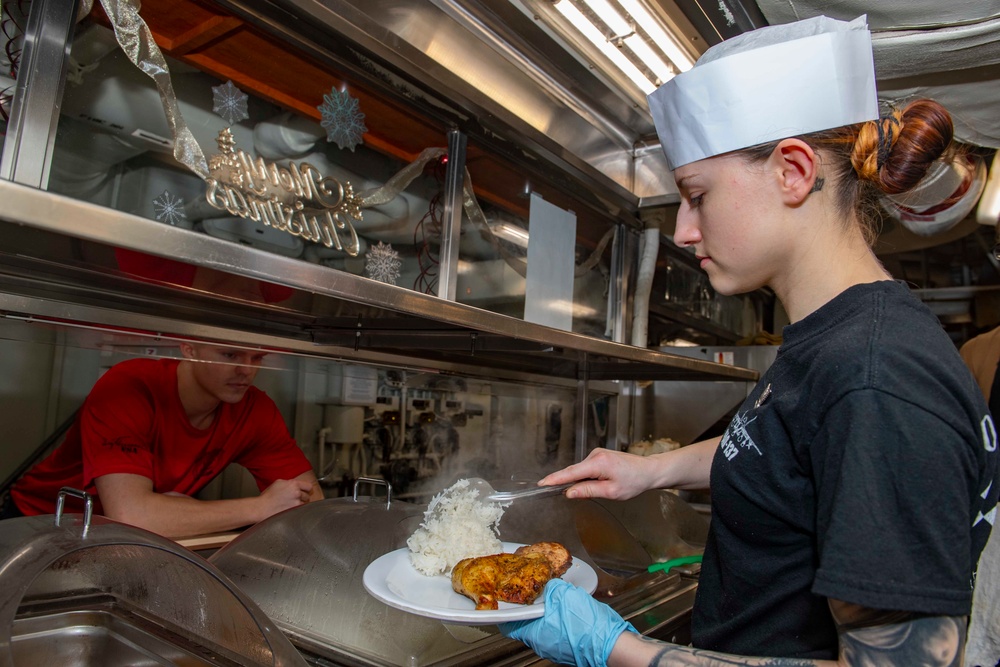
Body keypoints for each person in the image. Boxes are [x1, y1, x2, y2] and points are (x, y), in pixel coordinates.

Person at [500, 15, 1000, 667]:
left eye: (696, 195)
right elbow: (785, 448)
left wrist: (620, 650)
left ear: (791, 172)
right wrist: (653, 469)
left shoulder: (878, 376)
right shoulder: (831, 340)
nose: (682, 229)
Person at [3, 341, 322, 539]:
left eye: (257, 358)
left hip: (122, 539)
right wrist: (258, 508)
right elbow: (132, 515)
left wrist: (171, 512)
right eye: (230, 354)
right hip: (41, 525)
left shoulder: (254, 409)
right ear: (188, 347)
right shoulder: (129, 386)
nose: (246, 371)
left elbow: (311, 503)